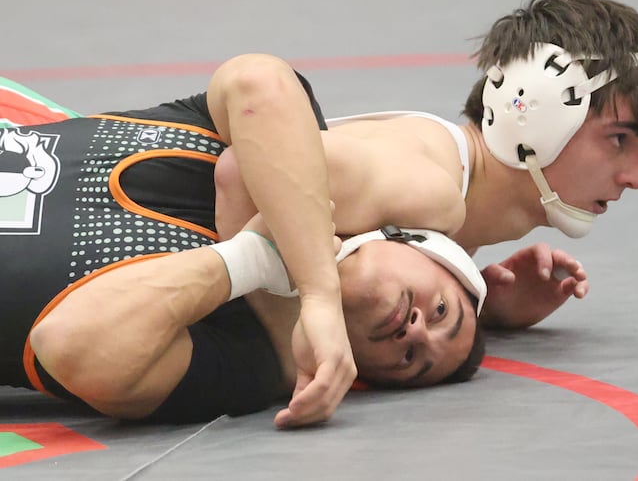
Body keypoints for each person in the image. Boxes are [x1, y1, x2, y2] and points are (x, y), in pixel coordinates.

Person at [2, 0, 638, 426]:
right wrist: (322, 303)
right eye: (620, 139)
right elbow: (248, 166)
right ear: (534, 116)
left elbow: (314, 210)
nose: (634, 176)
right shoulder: (430, 189)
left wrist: (481, 306)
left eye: (416, 354)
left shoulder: (421, 200)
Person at [0, 92, 488, 426]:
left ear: (361, 377)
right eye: (442, 310)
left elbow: (65, 343)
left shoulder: (249, 363)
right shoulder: (274, 138)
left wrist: (252, 260)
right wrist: (317, 288)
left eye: (411, 360)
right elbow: (256, 84)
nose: (417, 331)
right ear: (419, 243)